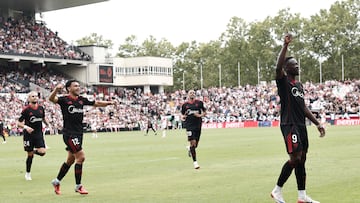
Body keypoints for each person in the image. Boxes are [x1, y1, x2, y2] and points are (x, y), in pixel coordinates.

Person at [270, 34, 326, 203]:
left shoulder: (299, 85)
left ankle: (302, 196)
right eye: (294, 64)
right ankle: (277, 190)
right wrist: (285, 45)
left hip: (301, 125)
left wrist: (317, 123)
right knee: (295, 158)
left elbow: (303, 107)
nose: (297, 66)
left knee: (302, 160)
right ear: (287, 68)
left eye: (297, 64)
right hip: (289, 124)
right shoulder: (283, 82)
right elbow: (277, 68)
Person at [48, 79, 116, 195]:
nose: (78, 87)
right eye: (75, 86)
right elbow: (51, 99)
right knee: (81, 157)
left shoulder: (81, 100)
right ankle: (78, 186)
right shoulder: (64, 99)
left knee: (70, 160)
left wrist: (109, 103)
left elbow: (96, 103)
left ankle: (56, 181)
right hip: (69, 134)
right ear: (69, 88)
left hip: (79, 133)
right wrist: (56, 90)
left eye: (79, 86)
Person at [17, 91, 50, 181]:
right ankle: (28, 173)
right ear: (29, 98)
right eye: (33, 96)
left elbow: (43, 118)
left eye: (36, 96)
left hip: (38, 134)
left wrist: (48, 125)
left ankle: (33, 151)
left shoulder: (41, 108)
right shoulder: (26, 110)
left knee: (43, 152)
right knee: (30, 156)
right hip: (29, 135)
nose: (35, 97)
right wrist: (26, 127)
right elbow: (19, 123)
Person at [181, 90, 206, 169]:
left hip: (198, 125)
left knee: (195, 145)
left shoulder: (199, 103)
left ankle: (190, 149)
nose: (192, 94)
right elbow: (182, 115)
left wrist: (199, 115)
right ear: (188, 95)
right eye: (190, 93)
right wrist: (183, 117)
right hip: (189, 126)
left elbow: (205, 112)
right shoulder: (185, 105)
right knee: (193, 143)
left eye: (193, 93)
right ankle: (195, 162)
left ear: (195, 95)